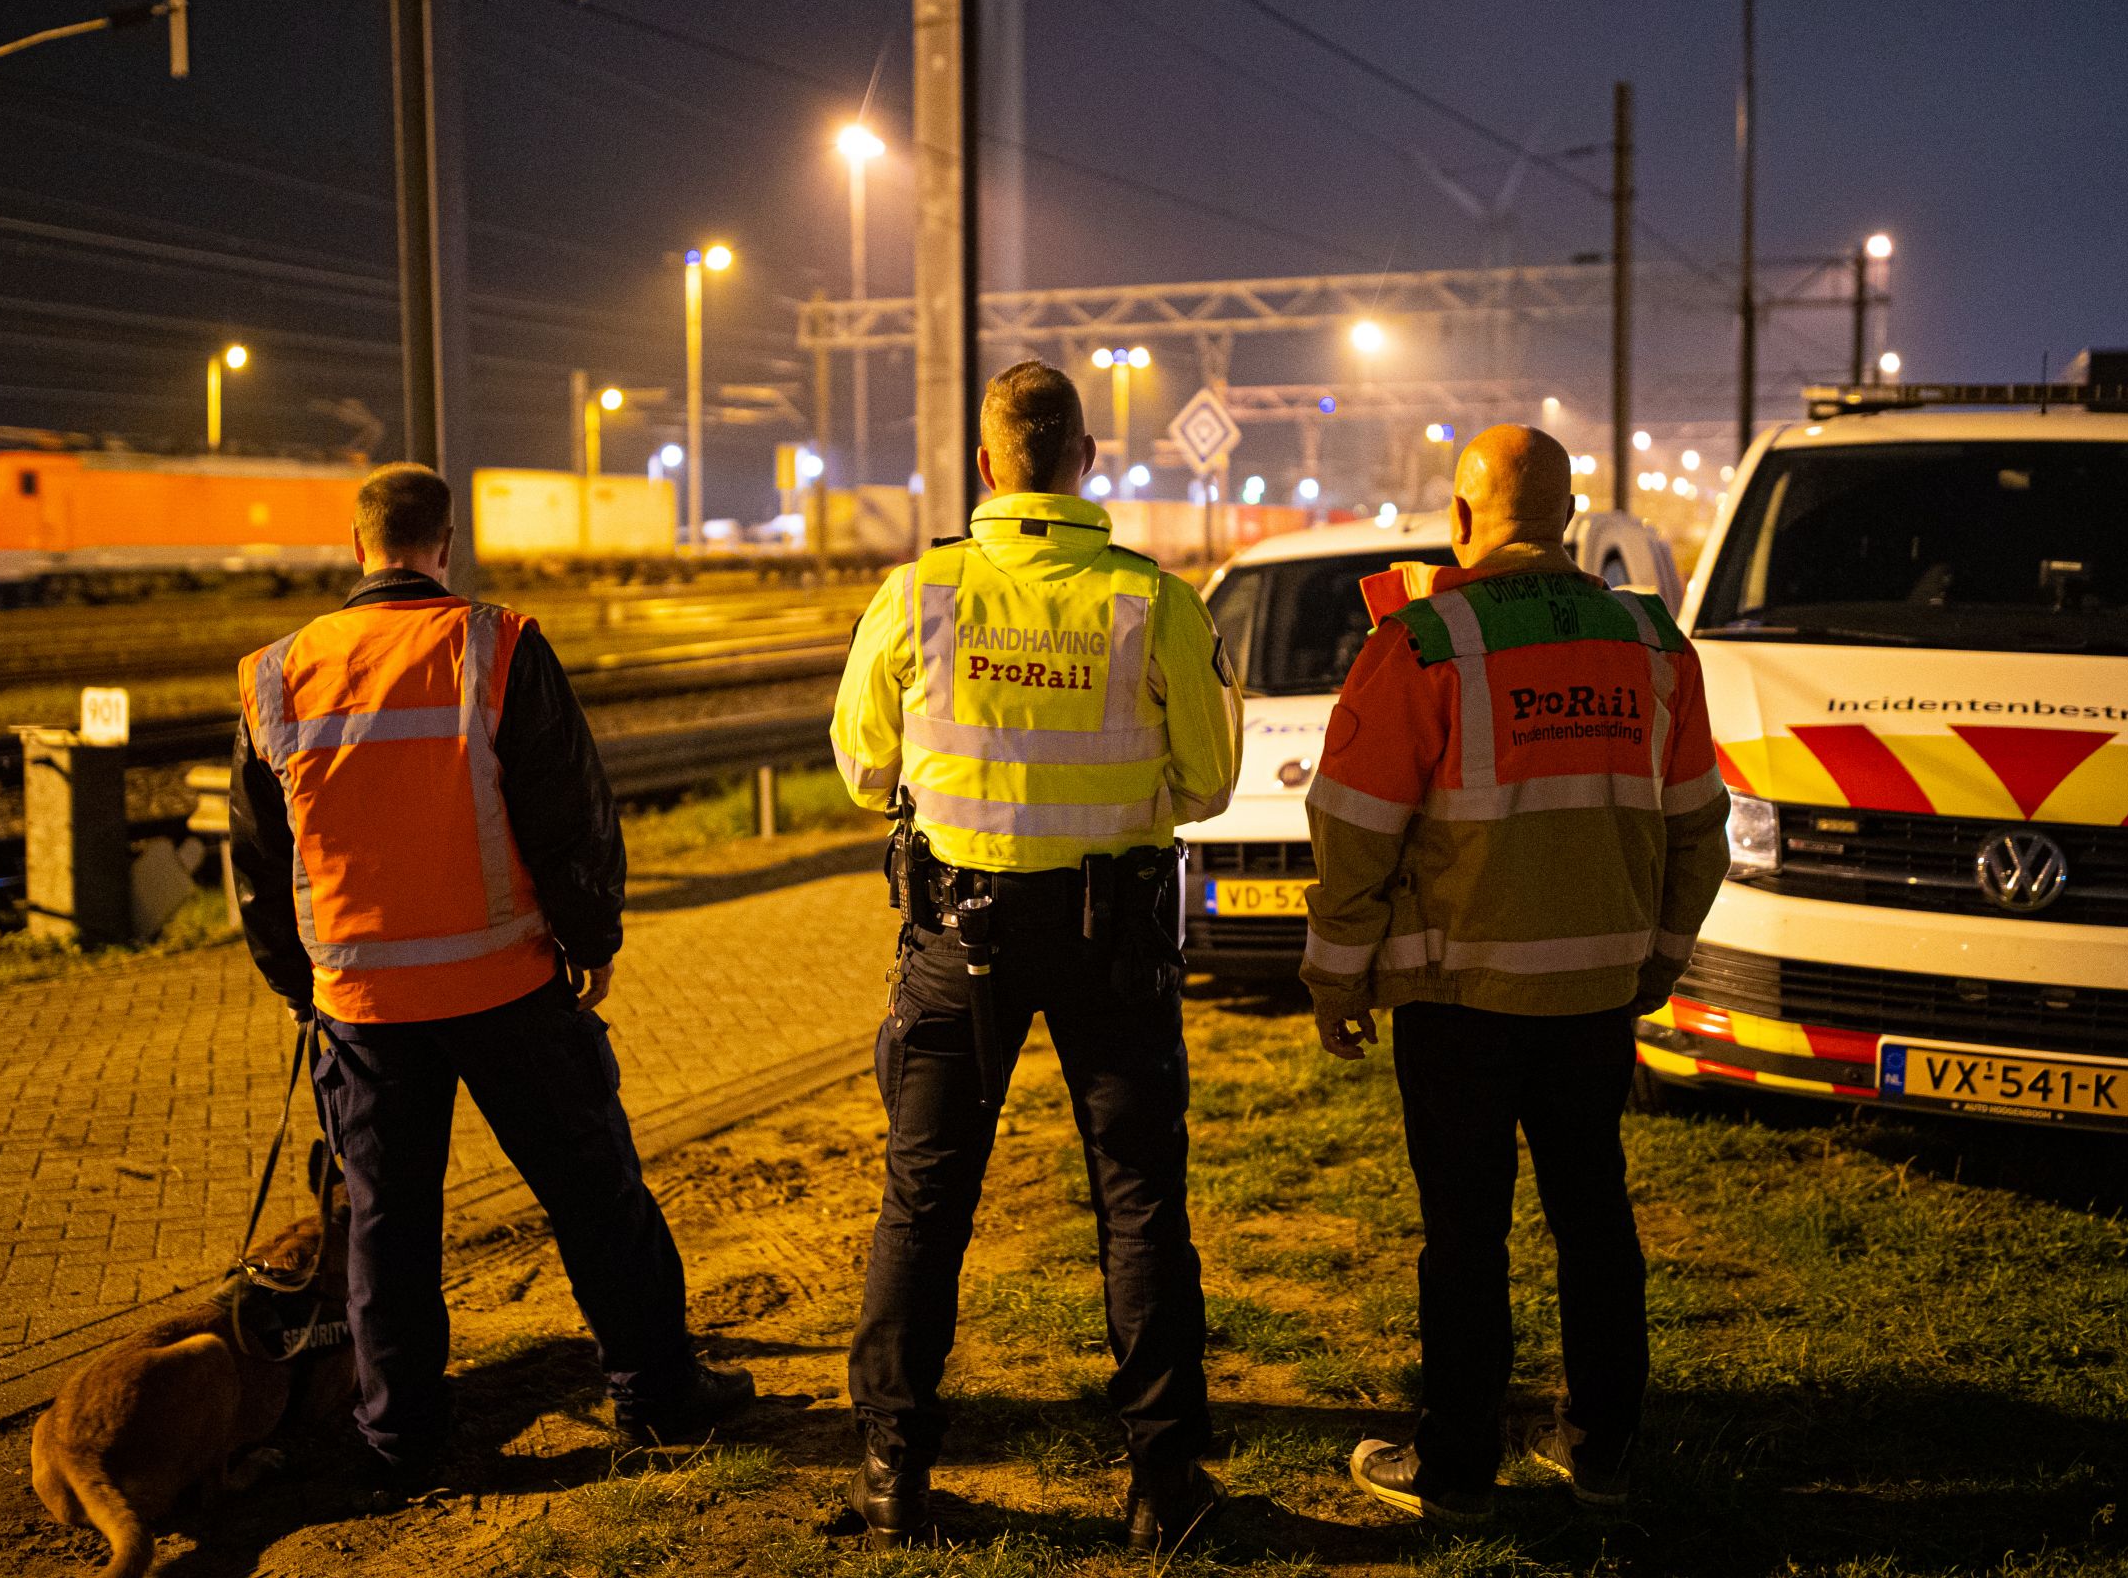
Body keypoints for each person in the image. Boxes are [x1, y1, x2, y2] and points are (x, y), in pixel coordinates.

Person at [230, 463, 751, 1504]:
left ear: (358, 544)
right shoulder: (495, 642)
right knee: (595, 1194)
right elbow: (569, 809)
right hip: (506, 986)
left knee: (387, 1225)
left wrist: (303, 985)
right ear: (446, 544)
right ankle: (657, 1395)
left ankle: (401, 1441)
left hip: (365, 1010)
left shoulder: (277, 674)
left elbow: (256, 858)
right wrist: (593, 931)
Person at [829, 361, 1244, 1551]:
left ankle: (893, 1480)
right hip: (1112, 945)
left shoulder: (920, 596)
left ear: (984, 465)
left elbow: (865, 775)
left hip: (958, 943)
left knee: (924, 1201)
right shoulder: (1151, 602)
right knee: (1141, 1206)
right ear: (1087, 462)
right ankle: (1165, 1488)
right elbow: (1210, 782)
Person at [1300, 425, 1727, 1525]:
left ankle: (1455, 1472)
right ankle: (1603, 1450)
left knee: (1465, 1237)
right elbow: (1698, 830)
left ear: (1459, 519)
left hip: (1459, 1001)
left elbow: (1354, 826)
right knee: (1595, 1218)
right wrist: (1659, 957)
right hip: (1596, 996)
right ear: (1571, 520)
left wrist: (1338, 978)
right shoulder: (1650, 640)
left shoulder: (1427, 639)